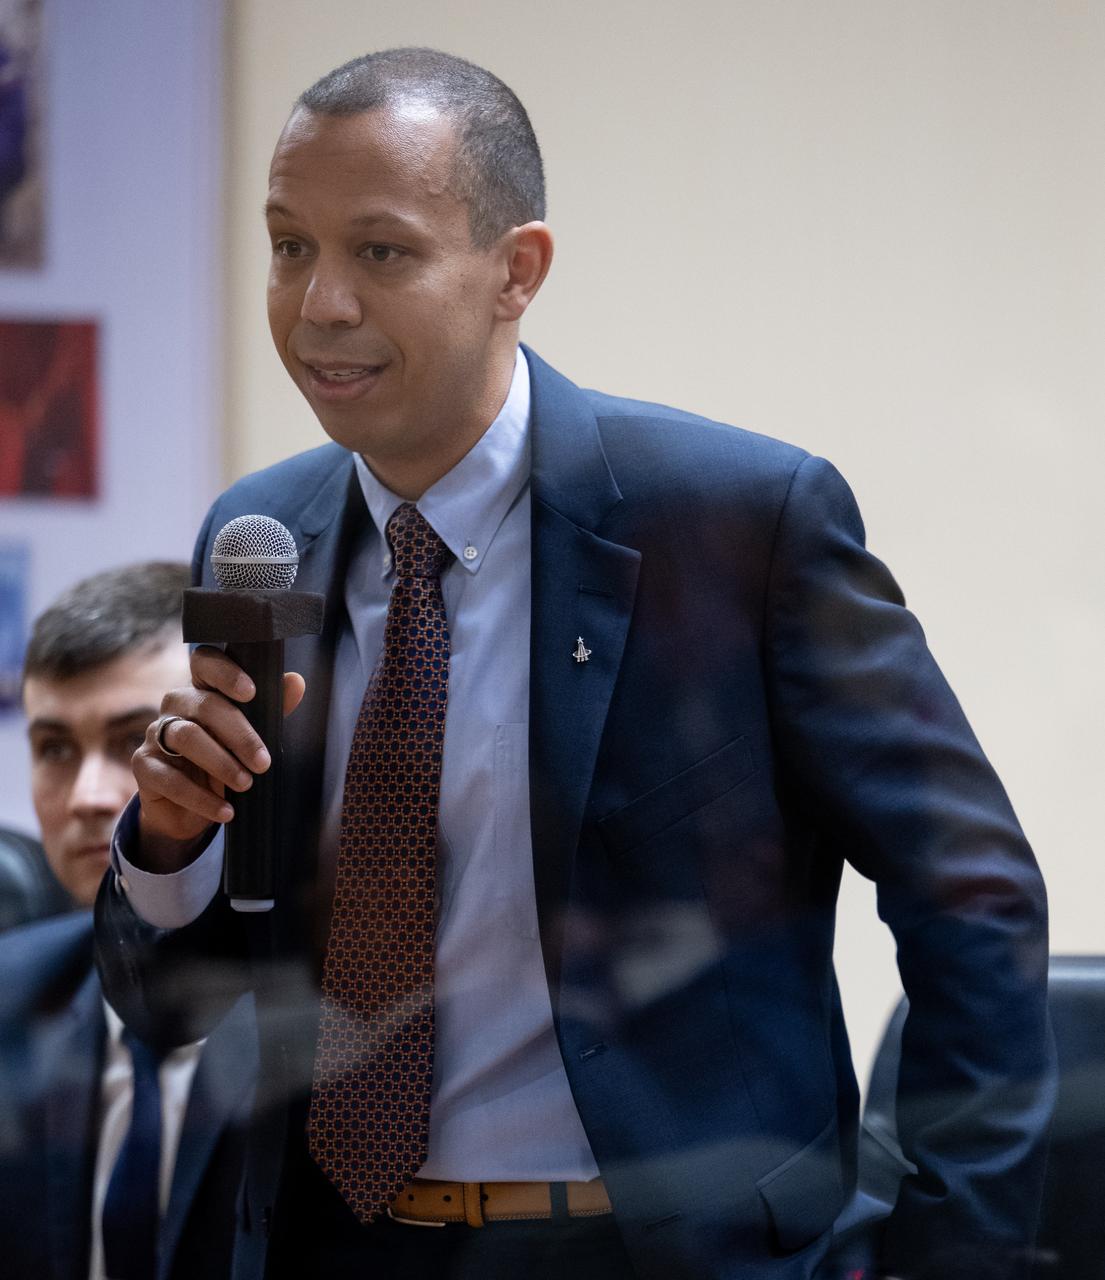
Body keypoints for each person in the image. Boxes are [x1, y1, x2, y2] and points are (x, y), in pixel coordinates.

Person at [95, 48, 1055, 1280]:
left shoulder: (735, 521)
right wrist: (171, 845)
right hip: (331, 1245)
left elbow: (969, 890)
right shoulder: (260, 533)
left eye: (380, 251)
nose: (319, 302)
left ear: (517, 270)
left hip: (661, 1251)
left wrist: (956, 1245)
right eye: (290, 246)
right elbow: (169, 1003)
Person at [0, 561, 255, 1280]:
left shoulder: (330, 1004)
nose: (87, 795)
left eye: (139, 743)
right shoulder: (9, 994)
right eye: (54, 748)